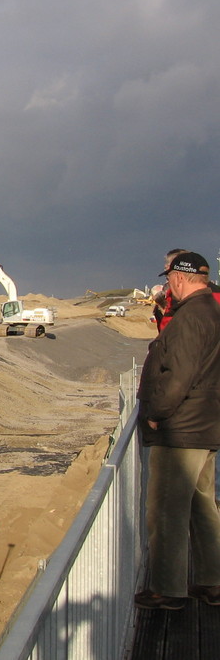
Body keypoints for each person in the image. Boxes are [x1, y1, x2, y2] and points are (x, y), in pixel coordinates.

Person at [136, 251, 220, 610]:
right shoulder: (211, 310)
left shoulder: (190, 318)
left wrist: (156, 412)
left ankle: (168, 590)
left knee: (167, 510)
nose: (168, 283)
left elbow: (179, 375)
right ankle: (211, 582)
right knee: (202, 505)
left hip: (182, 429)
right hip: (204, 424)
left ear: (180, 278)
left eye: (169, 277)